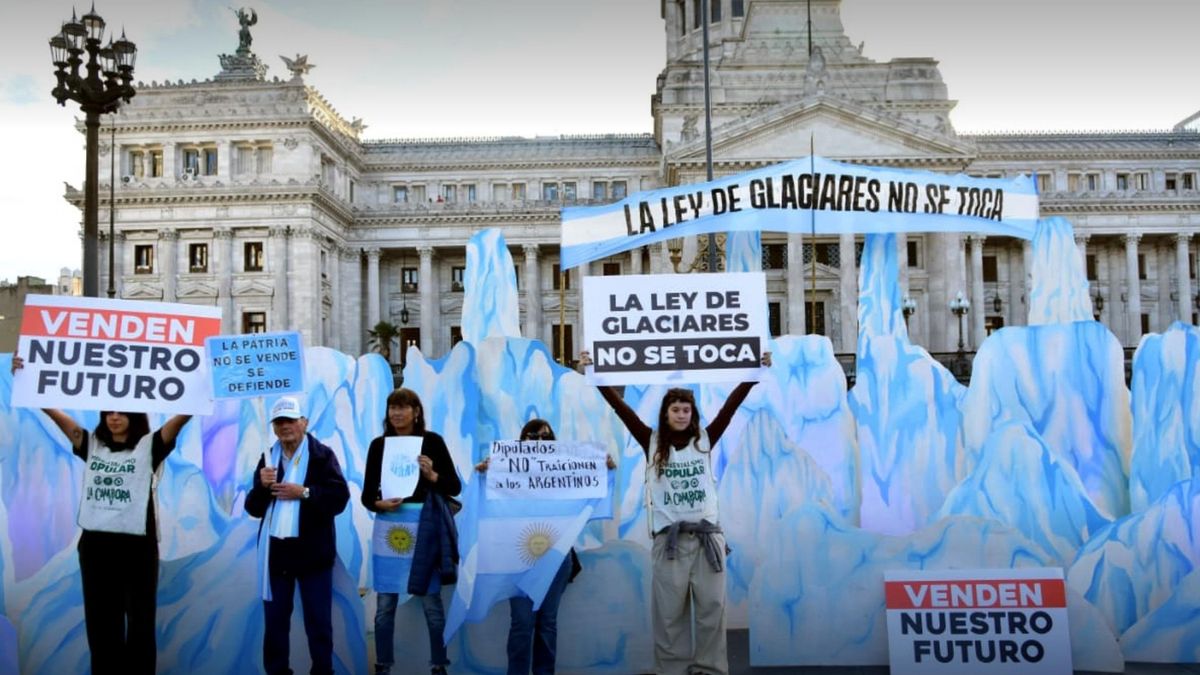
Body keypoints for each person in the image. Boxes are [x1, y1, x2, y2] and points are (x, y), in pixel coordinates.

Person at [577, 350, 769, 675]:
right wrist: (593, 373)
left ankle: (709, 670)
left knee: (712, 610)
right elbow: (620, 408)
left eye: (686, 409)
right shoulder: (650, 441)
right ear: (665, 413)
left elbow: (732, 406)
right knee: (669, 616)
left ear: (692, 413)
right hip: (669, 543)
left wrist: (755, 370)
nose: (681, 414)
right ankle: (672, 671)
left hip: (708, 540)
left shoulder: (706, 438)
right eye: (675, 409)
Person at [11, 355, 191, 675]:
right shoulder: (90, 443)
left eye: (121, 411)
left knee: (140, 625)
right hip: (96, 549)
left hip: (138, 549)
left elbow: (180, 420)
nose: (114, 416)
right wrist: (27, 379)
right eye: (109, 411)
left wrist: (204, 392)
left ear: (134, 415)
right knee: (101, 625)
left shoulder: (150, 446)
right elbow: (55, 415)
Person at [474, 418, 616, 675]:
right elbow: (487, 507)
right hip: (517, 559)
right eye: (533, 436)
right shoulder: (506, 472)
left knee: (547, 623)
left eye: (546, 437)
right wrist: (485, 475)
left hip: (555, 558)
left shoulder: (563, 473)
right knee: (522, 623)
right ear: (522, 440)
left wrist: (603, 469)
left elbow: (591, 490)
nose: (539, 441)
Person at [245, 396, 350, 675]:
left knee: (319, 624)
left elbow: (339, 498)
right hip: (276, 556)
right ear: (274, 427)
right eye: (279, 422)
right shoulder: (268, 458)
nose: (285, 426)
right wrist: (261, 487)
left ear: (304, 422)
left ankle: (322, 671)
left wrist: (303, 492)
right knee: (276, 624)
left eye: (290, 420)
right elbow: (253, 508)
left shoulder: (322, 455)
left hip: (313, 556)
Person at [362, 388, 462, 675]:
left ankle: (438, 664)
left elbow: (454, 487)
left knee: (432, 604)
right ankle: (383, 664)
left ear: (416, 412)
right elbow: (368, 495)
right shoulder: (378, 445)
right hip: (388, 528)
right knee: (384, 606)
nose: (396, 413)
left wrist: (432, 476)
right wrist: (377, 503)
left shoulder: (432, 442)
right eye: (392, 407)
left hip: (424, 528)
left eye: (403, 407)